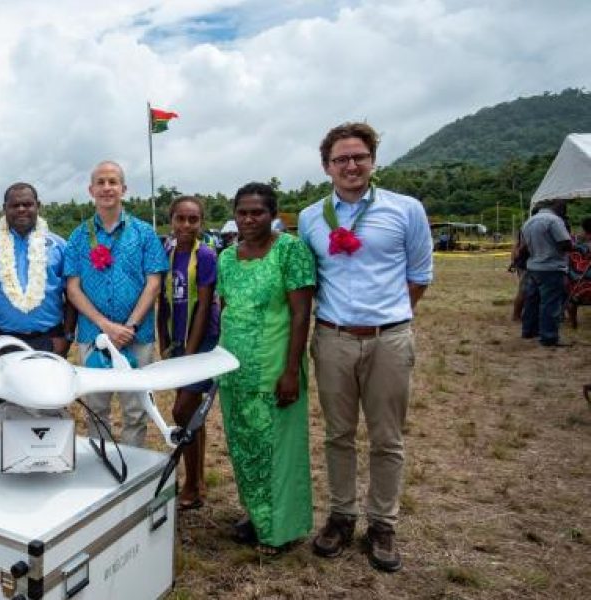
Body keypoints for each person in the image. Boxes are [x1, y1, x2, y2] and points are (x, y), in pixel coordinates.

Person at [298, 122, 433, 573]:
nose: (351, 166)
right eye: (341, 159)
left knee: (386, 438)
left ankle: (382, 523)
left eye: (359, 157)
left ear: (373, 160)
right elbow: (309, 278)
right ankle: (341, 516)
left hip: (389, 339)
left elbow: (420, 275)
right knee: (337, 435)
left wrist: (386, 318)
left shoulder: (405, 210)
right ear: (326, 167)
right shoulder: (310, 218)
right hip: (333, 338)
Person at [215, 183, 315, 555]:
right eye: (242, 212)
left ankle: (280, 528)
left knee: (276, 449)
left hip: (274, 369)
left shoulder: (291, 251)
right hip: (233, 370)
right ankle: (255, 514)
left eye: (257, 212)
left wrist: (291, 371)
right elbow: (227, 307)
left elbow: (301, 313)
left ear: (274, 215)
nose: (249, 219)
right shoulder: (226, 257)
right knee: (244, 447)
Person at [63, 161, 167, 447]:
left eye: (113, 182)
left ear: (124, 189)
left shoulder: (144, 233)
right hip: (93, 336)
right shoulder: (78, 236)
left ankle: (132, 471)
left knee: (135, 410)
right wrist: (106, 326)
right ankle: (104, 463)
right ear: (91, 190)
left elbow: (154, 283)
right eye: (101, 182)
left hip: (137, 335)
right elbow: (72, 289)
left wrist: (129, 326)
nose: (107, 188)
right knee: (97, 409)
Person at [156, 195, 220, 511]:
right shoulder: (166, 253)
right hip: (179, 342)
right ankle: (196, 481)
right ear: (172, 220)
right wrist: (164, 342)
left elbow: (205, 305)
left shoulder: (206, 255)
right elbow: (163, 302)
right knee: (191, 414)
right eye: (180, 218)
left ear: (200, 223)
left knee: (182, 412)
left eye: (193, 219)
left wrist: (191, 355)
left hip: (202, 342)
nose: (186, 225)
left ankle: (194, 484)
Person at [0, 182, 74, 355]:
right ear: (4, 208)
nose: (21, 209)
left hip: (50, 340)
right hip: (1, 341)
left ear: (38, 206)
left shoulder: (60, 246)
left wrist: (67, 338)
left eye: (27, 204)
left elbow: (72, 296)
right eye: (15, 205)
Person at [520, 199, 573, 347]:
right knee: (550, 303)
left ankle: (528, 330)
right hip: (551, 267)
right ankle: (549, 337)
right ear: (560, 209)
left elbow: (524, 247)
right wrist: (574, 246)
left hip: (533, 266)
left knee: (532, 301)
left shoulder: (529, 222)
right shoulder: (554, 221)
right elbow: (565, 243)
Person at [566, 216, 591, 328]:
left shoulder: (577, 246)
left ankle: (573, 322)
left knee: (572, 299)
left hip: (579, 281)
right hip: (584, 280)